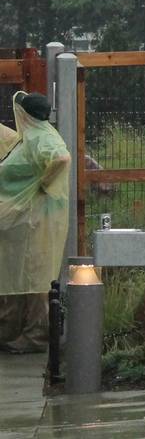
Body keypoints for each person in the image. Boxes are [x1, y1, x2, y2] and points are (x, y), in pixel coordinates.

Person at [0, 92, 69, 354]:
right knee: (15, 273)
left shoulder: (42, 138)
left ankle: (37, 335)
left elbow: (61, 159)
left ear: (24, 115)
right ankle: (10, 329)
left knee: (36, 275)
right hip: (22, 220)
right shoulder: (28, 137)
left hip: (37, 220)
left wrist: (42, 183)